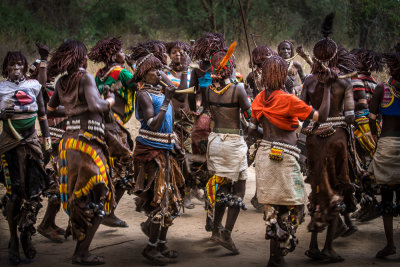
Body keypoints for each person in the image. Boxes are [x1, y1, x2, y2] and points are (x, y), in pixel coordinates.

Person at [249, 55, 330, 267]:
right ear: (283, 75)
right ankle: (279, 256)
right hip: (283, 159)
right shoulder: (289, 100)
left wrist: (270, 134)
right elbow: (319, 116)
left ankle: (275, 258)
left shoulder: (258, 99)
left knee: (274, 210)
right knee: (292, 207)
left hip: (264, 157)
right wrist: (328, 89)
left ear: (264, 76)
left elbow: (252, 127)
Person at [47, 40, 115, 265]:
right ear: (81, 59)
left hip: (68, 143)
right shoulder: (85, 77)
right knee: (97, 197)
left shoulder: (62, 81)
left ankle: (80, 247)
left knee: (80, 195)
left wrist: (73, 109)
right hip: (87, 144)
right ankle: (81, 253)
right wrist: (110, 100)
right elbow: (97, 106)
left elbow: (50, 110)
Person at [300, 13, 356, 263]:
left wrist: (315, 126)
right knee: (335, 192)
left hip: (313, 141)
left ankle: (313, 245)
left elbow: (301, 113)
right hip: (337, 143)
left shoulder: (309, 81)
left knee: (318, 190)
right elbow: (352, 116)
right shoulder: (345, 83)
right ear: (336, 57)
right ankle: (329, 248)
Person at [131, 50, 185, 266]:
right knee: (159, 199)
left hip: (166, 150)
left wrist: (176, 144)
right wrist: (168, 99)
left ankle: (161, 243)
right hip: (151, 154)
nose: (157, 72)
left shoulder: (161, 93)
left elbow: (168, 123)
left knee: (170, 199)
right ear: (143, 74)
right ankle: (150, 248)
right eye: (153, 70)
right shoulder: (143, 95)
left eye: (159, 69)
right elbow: (153, 123)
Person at [0, 50, 51, 264]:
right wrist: (2, 115)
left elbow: (42, 114)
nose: (16, 69)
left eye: (19, 65)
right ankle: (12, 239)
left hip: (31, 145)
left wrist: (47, 143)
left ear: (24, 66)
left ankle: (26, 235)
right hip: (10, 146)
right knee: (14, 193)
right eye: (12, 66)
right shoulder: (1, 89)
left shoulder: (33, 86)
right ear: (6, 69)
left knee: (34, 193)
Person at [205, 45, 251, 254]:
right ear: (230, 67)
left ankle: (215, 229)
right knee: (239, 190)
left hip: (215, 141)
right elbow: (251, 118)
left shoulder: (209, 89)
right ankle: (227, 234)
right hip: (233, 142)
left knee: (223, 187)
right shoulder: (238, 89)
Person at [88, 37, 135, 228]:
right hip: (113, 127)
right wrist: (135, 65)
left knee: (104, 167)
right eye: (121, 51)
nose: (124, 54)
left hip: (99, 124)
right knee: (125, 169)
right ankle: (108, 211)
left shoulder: (99, 74)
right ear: (113, 54)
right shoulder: (120, 72)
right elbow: (139, 85)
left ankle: (98, 208)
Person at [27, 43, 68, 243]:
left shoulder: (55, 86)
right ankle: (44, 225)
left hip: (61, 138)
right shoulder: (34, 89)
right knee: (55, 186)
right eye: (45, 70)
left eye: (52, 69)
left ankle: (50, 223)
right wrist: (43, 60)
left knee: (61, 184)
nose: (50, 72)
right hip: (50, 140)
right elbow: (42, 86)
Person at [368, 42, 400, 259]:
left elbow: (371, 121)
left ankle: (390, 245)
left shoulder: (382, 88)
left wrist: (377, 137)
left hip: (387, 145)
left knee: (387, 199)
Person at [165, 41, 194, 209]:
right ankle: (173, 191)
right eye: (175, 52)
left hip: (188, 120)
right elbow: (181, 94)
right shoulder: (165, 73)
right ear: (169, 54)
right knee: (173, 155)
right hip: (171, 119)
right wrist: (186, 69)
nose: (178, 55)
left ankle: (187, 193)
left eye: (182, 52)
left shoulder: (191, 71)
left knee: (188, 156)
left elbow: (197, 93)